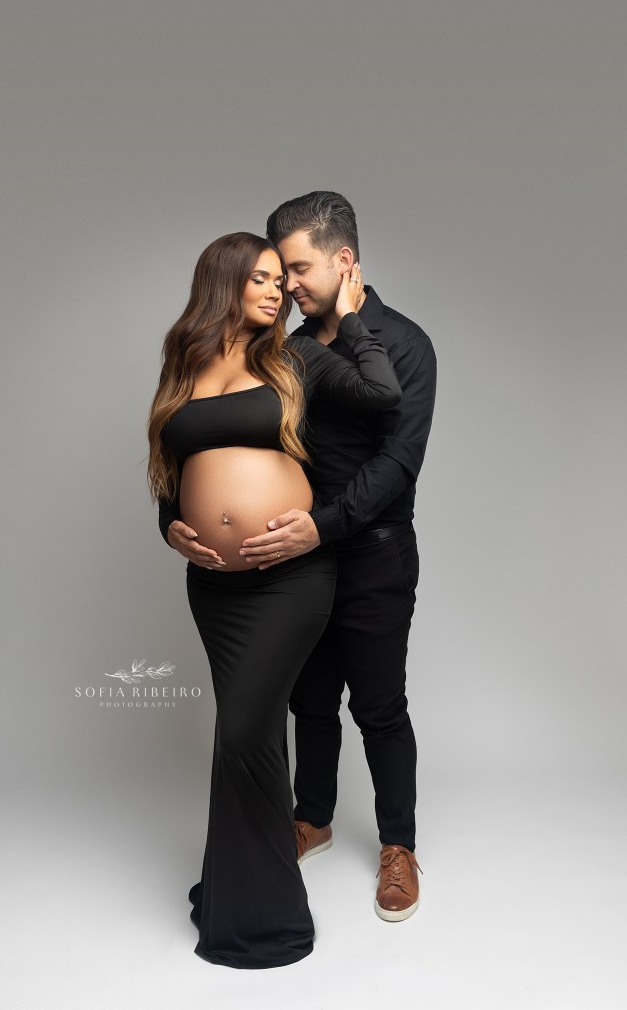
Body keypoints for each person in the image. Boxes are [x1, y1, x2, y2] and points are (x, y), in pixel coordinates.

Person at [147, 231, 401, 968]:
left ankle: (269, 920)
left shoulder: (298, 359)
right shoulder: (183, 362)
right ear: (223, 282)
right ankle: (237, 891)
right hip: (215, 589)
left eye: (279, 279)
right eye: (260, 278)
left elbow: (382, 395)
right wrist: (170, 529)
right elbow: (167, 472)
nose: (277, 291)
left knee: (241, 736)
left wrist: (350, 317)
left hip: (290, 577)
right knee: (245, 735)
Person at [238, 192, 437, 922]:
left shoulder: (405, 344)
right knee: (308, 700)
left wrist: (320, 527)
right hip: (298, 555)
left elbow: (397, 466)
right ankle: (311, 817)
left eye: (297, 268)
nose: (286, 284)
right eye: (281, 270)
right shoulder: (287, 350)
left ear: (343, 260)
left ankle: (399, 848)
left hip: (374, 555)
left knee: (380, 707)